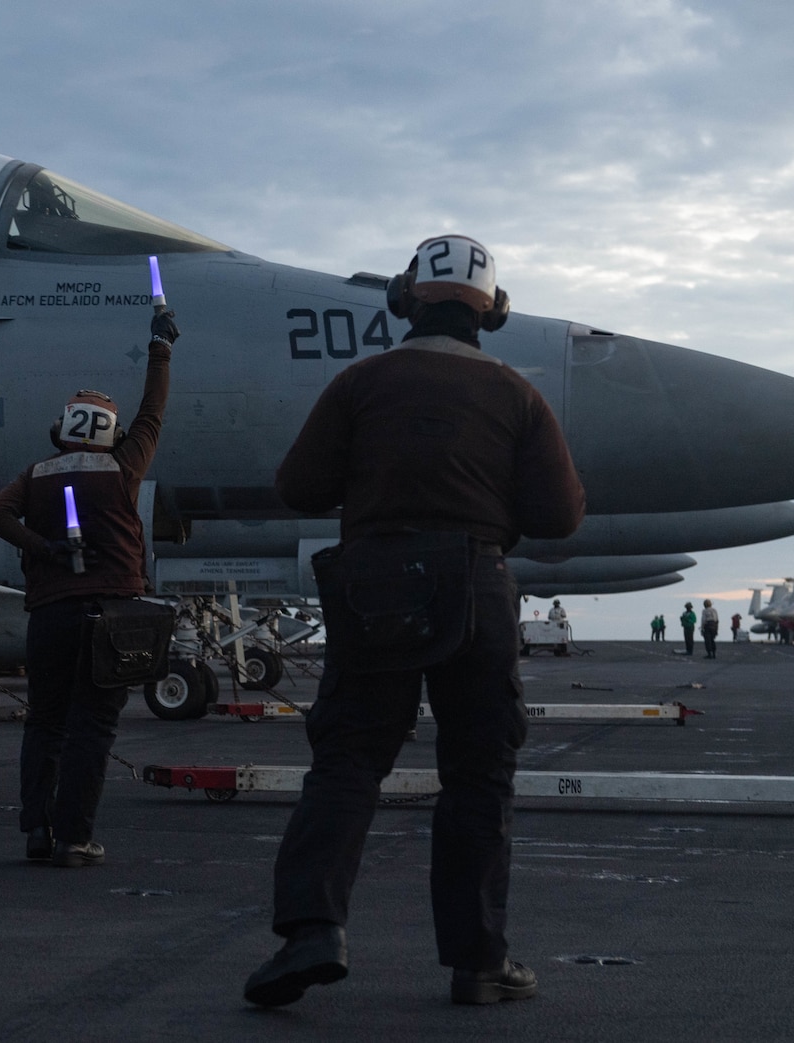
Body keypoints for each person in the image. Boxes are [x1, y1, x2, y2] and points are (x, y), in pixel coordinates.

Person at [242, 234, 586, 1008]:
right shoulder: (518, 395)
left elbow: (299, 487)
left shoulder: (362, 382)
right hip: (476, 586)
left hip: (374, 587)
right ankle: (479, 963)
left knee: (348, 762)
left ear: (406, 298)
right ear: (492, 312)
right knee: (479, 772)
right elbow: (559, 516)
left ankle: (310, 932)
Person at [0, 308, 180, 867]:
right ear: (109, 433)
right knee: (93, 725)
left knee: (44, 722)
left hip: (50, 614)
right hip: (110, 617)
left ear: (59, 429)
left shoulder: (35, 474)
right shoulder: (124, 467)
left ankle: (37, 832)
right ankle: (75, 837)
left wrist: (43, 548)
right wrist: (160, 347)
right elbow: (154, 411)